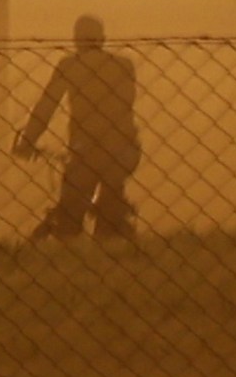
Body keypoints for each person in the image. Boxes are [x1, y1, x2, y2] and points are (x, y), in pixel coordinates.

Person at [12, 14, 142, 241]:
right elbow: (126, 103)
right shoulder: (124, 66)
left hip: (85, 149)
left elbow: (47, 106)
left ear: (75, 40)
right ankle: (112, 241)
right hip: (124, 148)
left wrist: (28, 141)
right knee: (111, 203)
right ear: (102, 38)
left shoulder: (70, 66)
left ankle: (68, 248)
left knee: (70, 212)